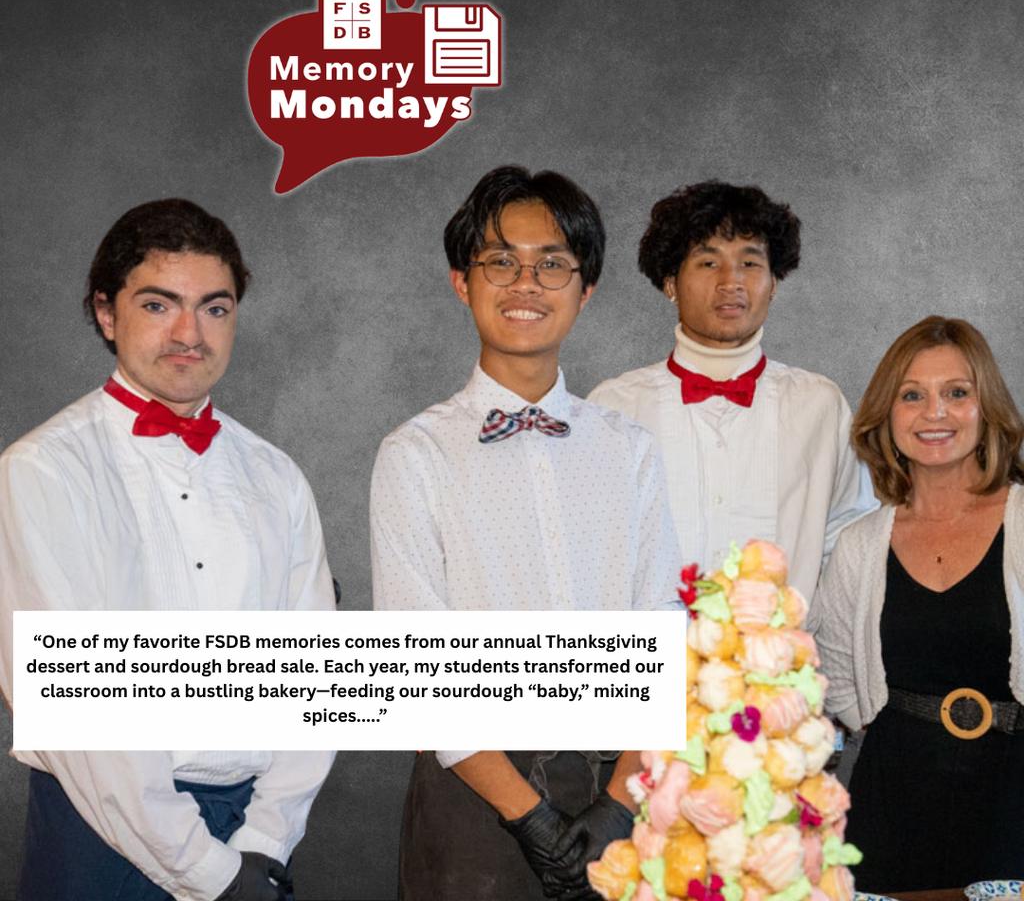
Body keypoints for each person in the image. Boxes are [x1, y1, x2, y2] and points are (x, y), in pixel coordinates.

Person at [0, 199, 336, 901]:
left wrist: (264, 840)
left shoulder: (277, 475)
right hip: (97, 832)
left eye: (215, 308)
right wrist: (208, 872)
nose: (190, 333)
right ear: (106, 312)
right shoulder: (42, 470)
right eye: (159, 305)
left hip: (251, 833)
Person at [370, 166, 682, 900]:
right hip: (474, 790)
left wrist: (620, 801)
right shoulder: (414, 453)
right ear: (461, 281)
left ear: (586, 288)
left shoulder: (629, 448)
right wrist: (528, 814)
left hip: (621, 781)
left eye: (552, 264)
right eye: (500, 261)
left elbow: (663, 627)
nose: (525, 283)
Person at [589, 180, 876, 604]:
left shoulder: (820, 405)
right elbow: (589, 553)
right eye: (708, 263)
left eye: (750, 262)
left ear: (774, 283)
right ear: (670, 282)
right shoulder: (613, 407)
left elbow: (850, 547)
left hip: (782, 665)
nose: (731, 282)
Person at [815, 316, 1024, 889]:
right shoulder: (861, 544)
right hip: (891, 804)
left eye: (957, 393)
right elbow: (837, 679)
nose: (935, 413)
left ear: (988, 410)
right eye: (913, 395)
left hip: (1013, 804)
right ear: (888, 414)